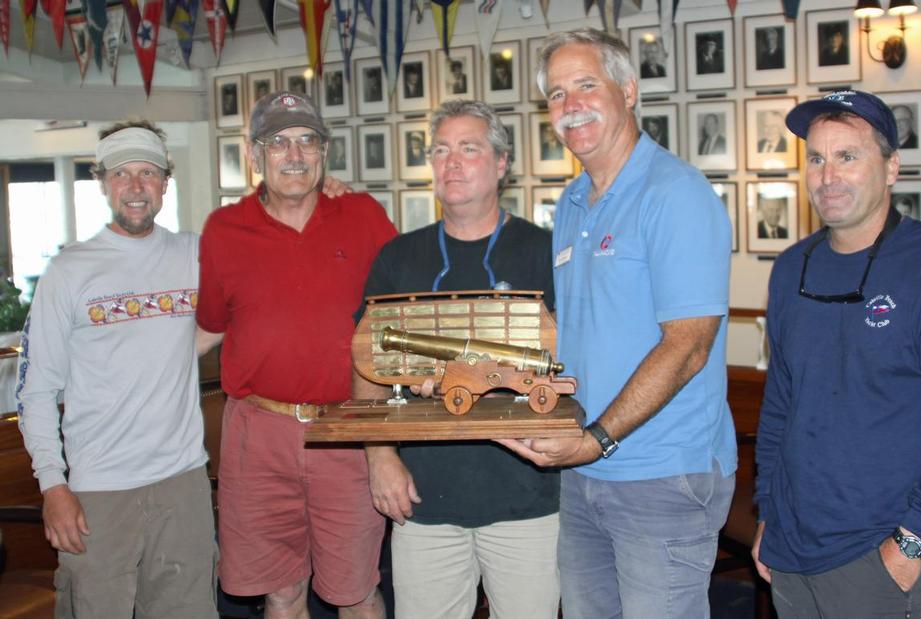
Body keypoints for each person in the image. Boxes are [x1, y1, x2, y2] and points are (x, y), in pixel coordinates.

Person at [501, 28, 736, 619]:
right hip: (584, 472)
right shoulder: (573, 203)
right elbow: (582, 332)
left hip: (661, 473)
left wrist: (598, 438)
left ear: (628, 91)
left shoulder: (675, 193)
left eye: (586, 84)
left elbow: (688, 347)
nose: (569, 104)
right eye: (555, 94)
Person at [752, 89, 921, 618]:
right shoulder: (791, 268)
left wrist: (913, 543)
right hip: (790, 552)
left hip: (881, 556)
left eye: (848, 156)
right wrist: (768, 516)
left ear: (891, 168)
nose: (828, 176)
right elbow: (781, 405)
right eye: (817, 158)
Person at [357, 99, 560, 619]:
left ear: (501, 163)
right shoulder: (398, 257)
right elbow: (367, 368)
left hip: (528, 499)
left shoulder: (547, 252)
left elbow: (574, 358)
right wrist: (380, 457)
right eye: (441, 150)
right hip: (426, 500)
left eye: (469, 149)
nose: (452, 162)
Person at [197, 91, 396, 619]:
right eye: (278, 142)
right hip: (257, 433)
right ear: (253, 154)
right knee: (280, 594)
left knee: (355, 591)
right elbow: (209, 328)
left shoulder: (363, 215)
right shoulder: (222, 230)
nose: (294, 155)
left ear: (324, 152)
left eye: (307, 140)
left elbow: (402, 314)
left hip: (346, 431)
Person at [17, 120, 219, 618]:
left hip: (184, 481)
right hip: (98, 489)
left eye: (147, 173)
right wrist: (53, 486)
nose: (135, 186)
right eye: (121, 174)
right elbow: (36, 390)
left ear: (165, 184)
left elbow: (260, 269)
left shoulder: (196, 253)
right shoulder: (69, 270)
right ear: (102, 182)